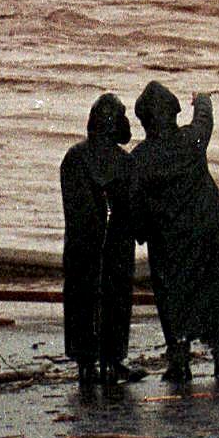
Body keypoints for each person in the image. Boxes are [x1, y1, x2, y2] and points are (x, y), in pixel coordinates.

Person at [131, 83, 219, 384]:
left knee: (173, 302)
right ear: (172, 114)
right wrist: (202, 99)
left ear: (146, 122)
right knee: (216, 296)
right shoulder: (190, 140)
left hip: (168, 243)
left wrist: (140, 232)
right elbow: (205, 120)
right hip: (209, 233)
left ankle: (179, 363)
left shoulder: (140, 158)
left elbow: (134, 203)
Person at [61, 94, 139, 389]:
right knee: (115, 299)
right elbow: (131, 208)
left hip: (82, 245)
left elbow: (73, 208)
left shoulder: (74, 157)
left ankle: (85, 364)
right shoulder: (125, 162)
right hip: (117, 246)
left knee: (81, 298)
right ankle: (112, 361)